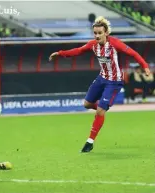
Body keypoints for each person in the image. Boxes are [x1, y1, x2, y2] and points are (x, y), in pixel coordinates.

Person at [49, 16, 151, 153]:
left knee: (100, 110)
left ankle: (90, 142)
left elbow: (133, 53)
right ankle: (102, 111)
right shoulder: (93, 45)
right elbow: (78, 51)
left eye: (100, 33)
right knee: (86, 104)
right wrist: (60, 54)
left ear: (106, 33)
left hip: (114, 82)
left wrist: (145, 66)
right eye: (95, 33)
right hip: (102, 78)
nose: (97, 36)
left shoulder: (115, 44)